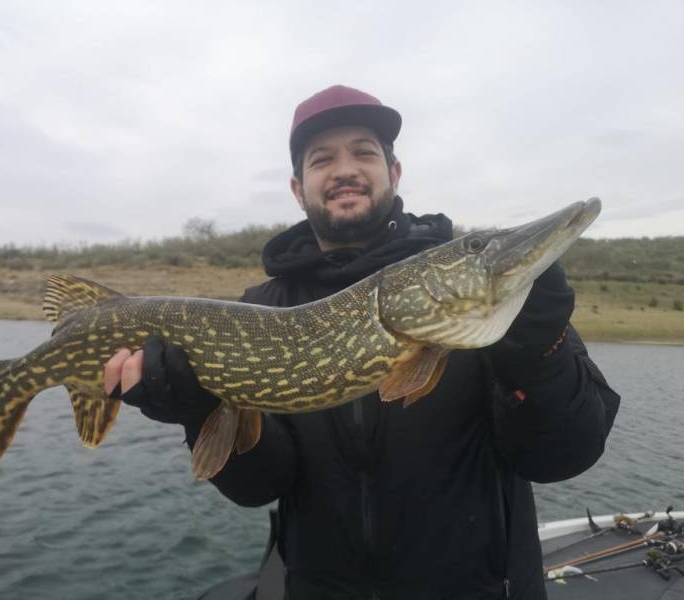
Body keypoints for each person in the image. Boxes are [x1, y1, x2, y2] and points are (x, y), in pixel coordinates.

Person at [104, 85, 621, 600]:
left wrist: (539, 348)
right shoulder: (262, 309)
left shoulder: (485, 307)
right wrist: (199, 410)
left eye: (364, 152)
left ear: (394, 174)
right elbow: (260, 486)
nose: (344, 169)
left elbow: (564, 455)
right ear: (297, 186)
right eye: (322, 158)